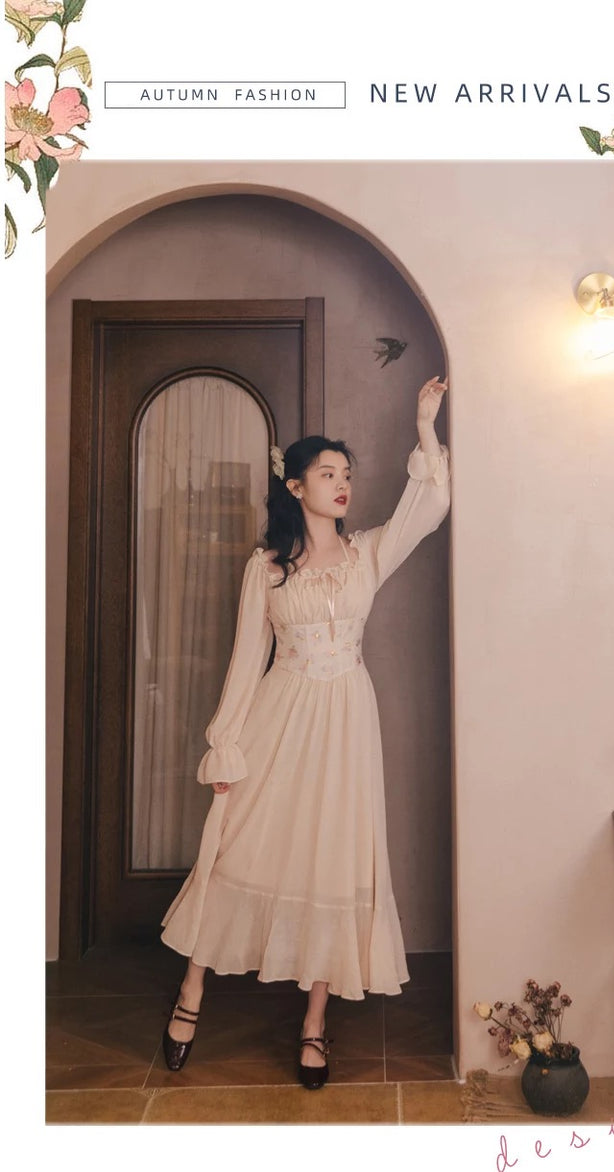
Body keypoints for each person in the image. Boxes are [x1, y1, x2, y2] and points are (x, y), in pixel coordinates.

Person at [160, 375, 450, 1089]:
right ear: (295, 487)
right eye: (327, 474)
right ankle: (191, 989)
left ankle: (315, 1024)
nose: (342, 484)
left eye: (347, 474)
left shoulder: (368, 553)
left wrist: (424, 427)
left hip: (347, 719)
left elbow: (431, 504)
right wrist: (226, 743)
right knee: (240, 844)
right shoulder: (265, 570)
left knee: (334, 858)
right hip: (279, 715)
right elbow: (243, 662)